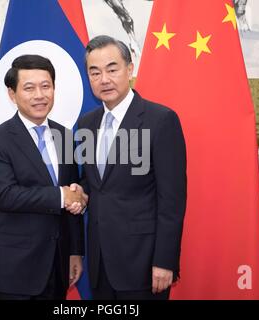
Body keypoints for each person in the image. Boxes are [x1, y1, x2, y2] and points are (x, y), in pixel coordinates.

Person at [71, 35, 187, 300]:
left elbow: (172, 200)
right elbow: (96, 182)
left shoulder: (160, 121)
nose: (104, 79)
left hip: (143, 264)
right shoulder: (87, 123)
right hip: (100, 263)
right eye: (95, 72)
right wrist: (81, 191)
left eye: (112, 69)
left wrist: (165, 261)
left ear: (130, 69)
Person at [0, 54, 87, 299]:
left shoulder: (66, 136)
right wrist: (62, 195)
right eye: (29, 88)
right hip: (13, 270)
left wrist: (74, 251)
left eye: (46, 86)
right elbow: (6, 196)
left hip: (57, 266)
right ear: (12, 94)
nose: (40, 95)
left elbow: (73, 192)